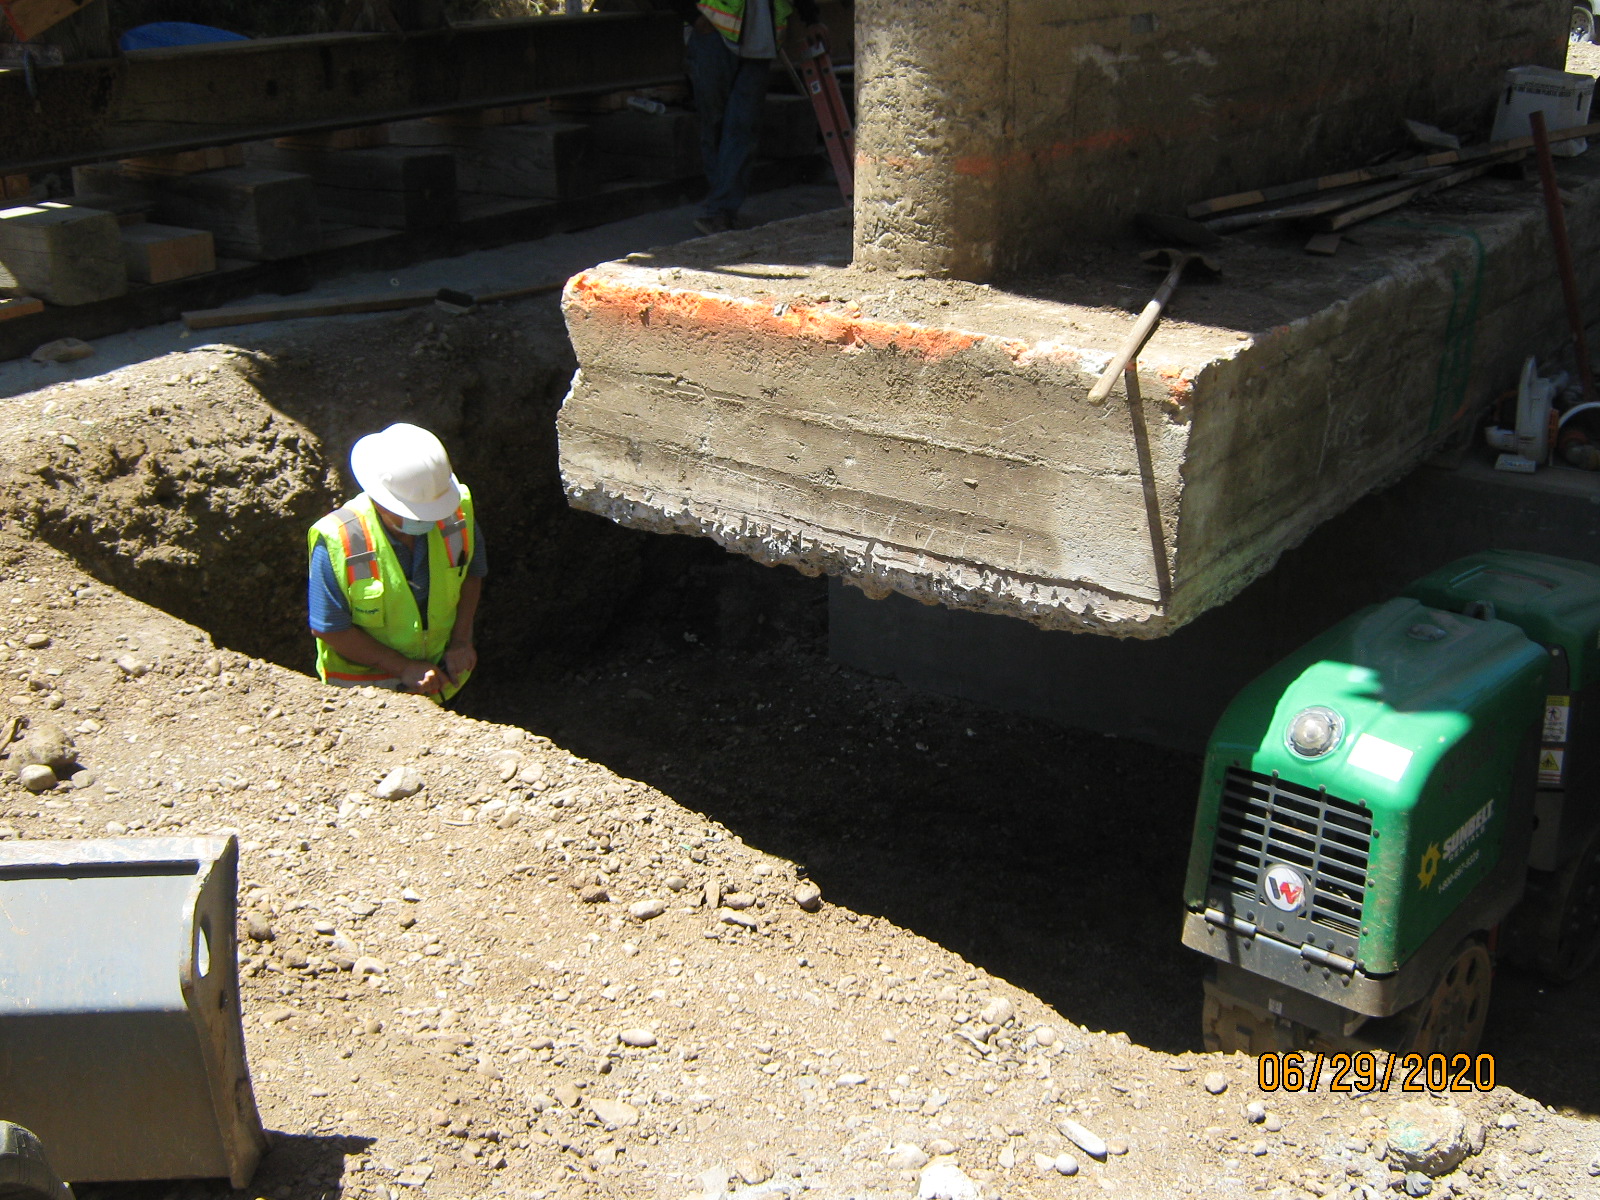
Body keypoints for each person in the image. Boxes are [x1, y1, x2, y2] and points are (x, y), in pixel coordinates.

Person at [307, 423, 484, 701]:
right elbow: (330, 627)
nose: (426, 520)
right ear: (380, 500)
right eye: (414, 513)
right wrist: (402, 667)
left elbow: (472, 573)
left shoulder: (455, 511)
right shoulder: (339, 539)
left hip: (442, 683)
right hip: (368, 701)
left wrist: (461, 641)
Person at [682, 0, 826, 235]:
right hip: (715, 33)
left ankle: (720, 209)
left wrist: (812, 18)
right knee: (717, 123)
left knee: (742, 126)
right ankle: (720, 206)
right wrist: (692, 16)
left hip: (759, 40)